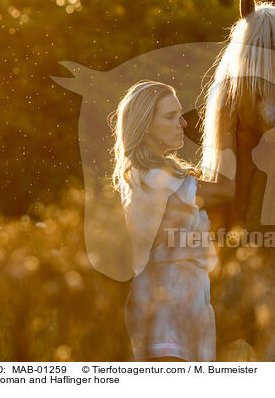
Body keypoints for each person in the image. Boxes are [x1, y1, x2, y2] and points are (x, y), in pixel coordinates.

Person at [110, 80, 236, 362]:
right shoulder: (153, 177)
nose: (182, 122)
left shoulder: (156, 173)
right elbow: (226, 189)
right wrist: (226, 126)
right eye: (169, 116)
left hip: (186, 298)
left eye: (179, 114)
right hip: (167, 304)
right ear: (144, 126)